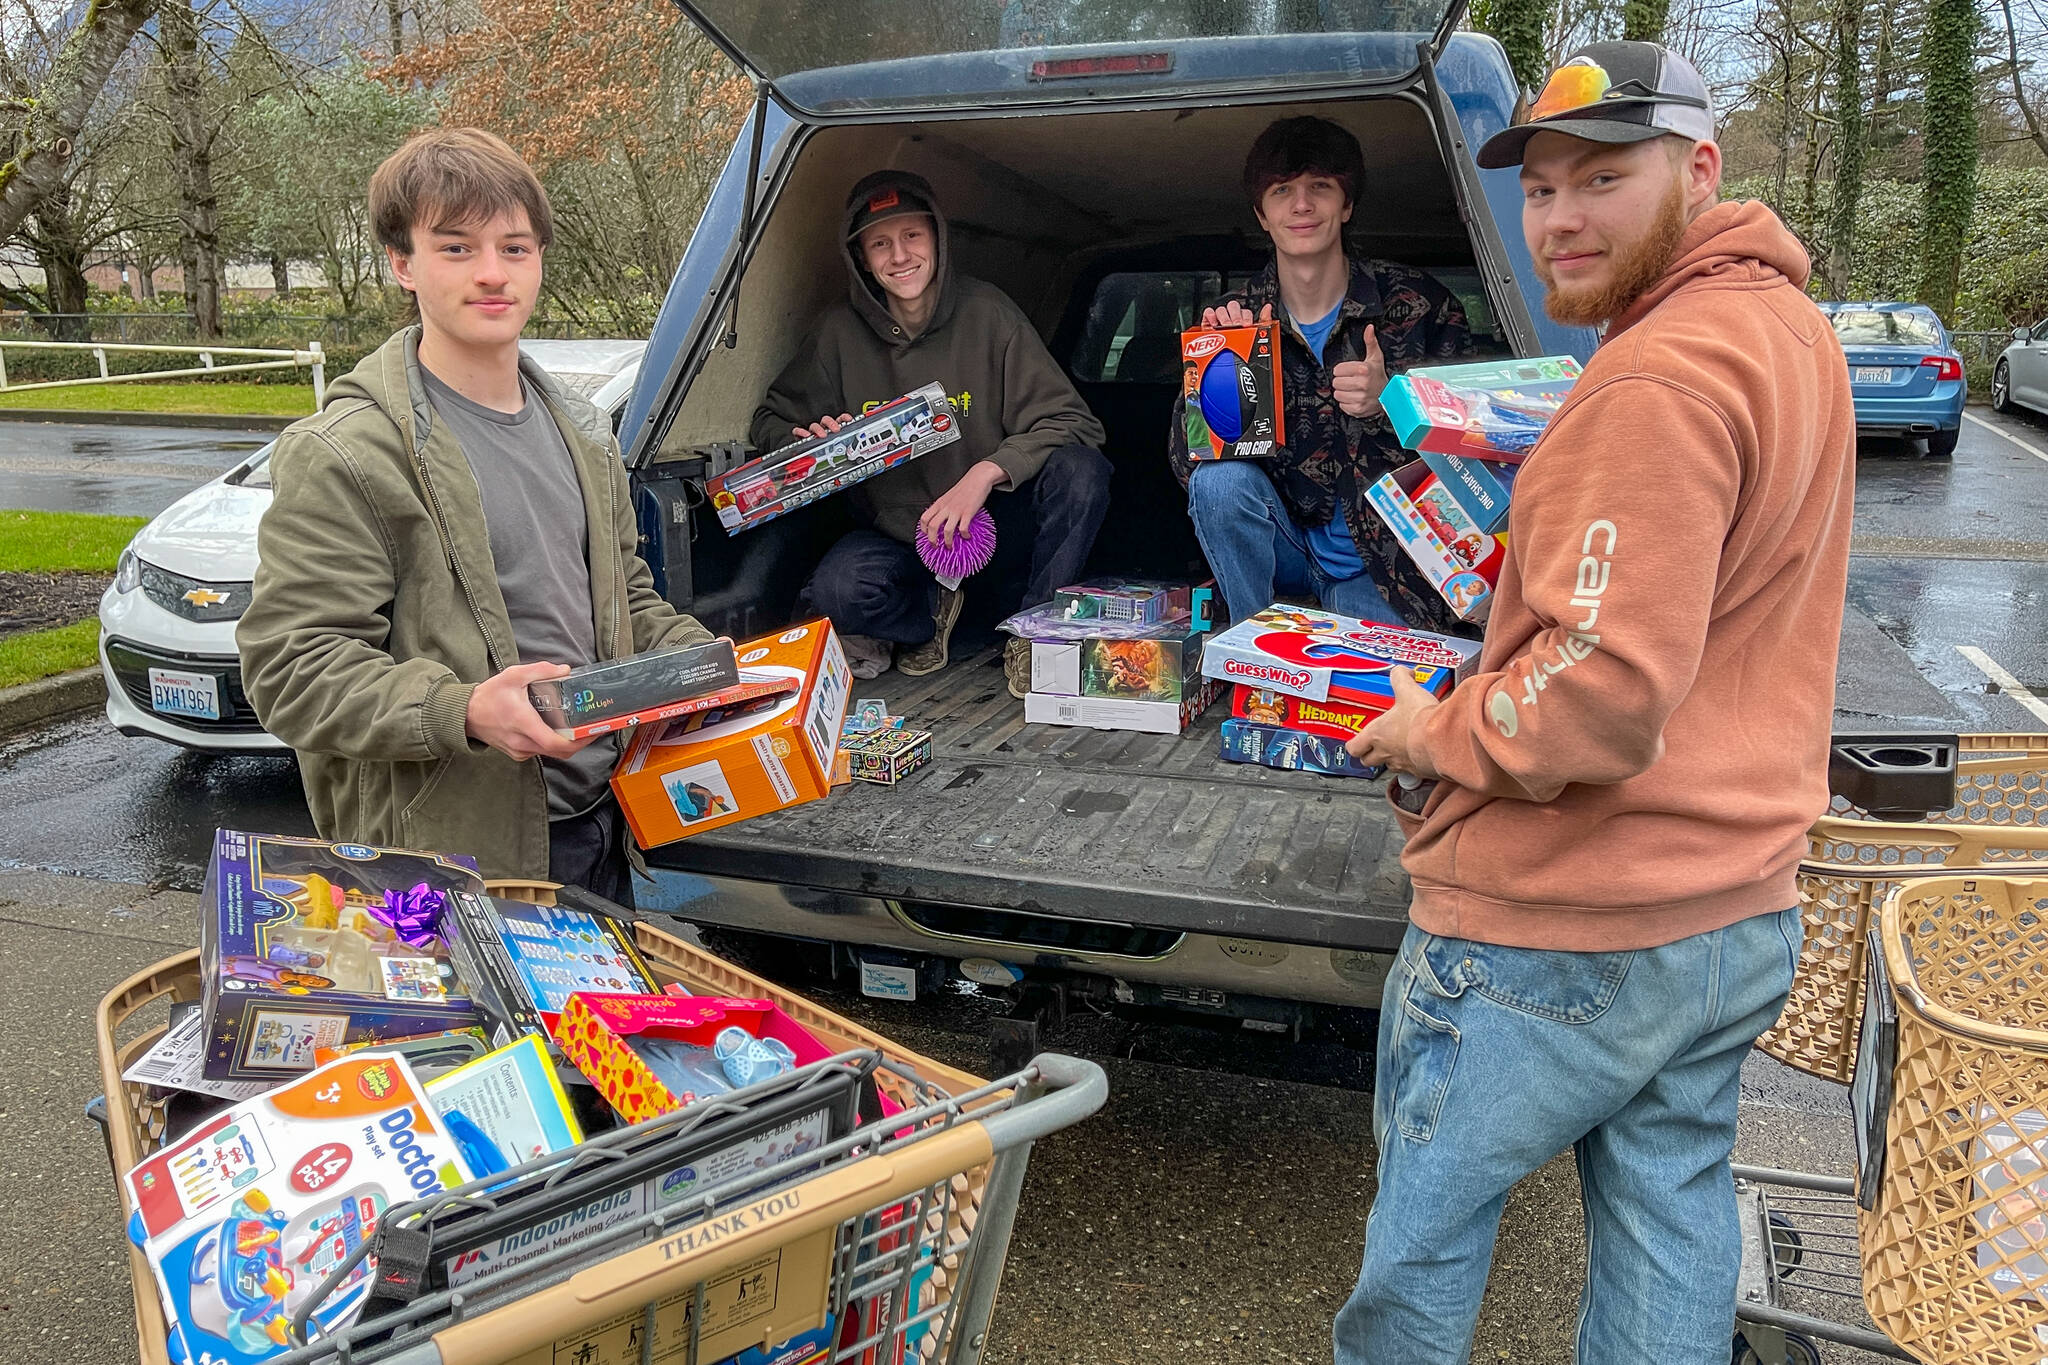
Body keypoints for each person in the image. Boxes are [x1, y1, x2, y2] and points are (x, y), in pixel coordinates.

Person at [1338, 43, 1856, 1362]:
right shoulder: (1787, 333)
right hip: (1730, 913)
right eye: (1543, 189)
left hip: (1564, 925)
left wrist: (1429, 726)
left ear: (1699, 170)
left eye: (1602, 179)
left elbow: (1602, 695)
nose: (1561, 217)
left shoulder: (1649, 381)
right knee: (1669, 1220)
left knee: (1422, 1249)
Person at [239, 128, 714, 900]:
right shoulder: (348, 452)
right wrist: (460, 709)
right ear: (402, 264)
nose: (493, 273)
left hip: (600, 826)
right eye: (456, 248)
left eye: (515, 248)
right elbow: (291, 666)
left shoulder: (587, 435)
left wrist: (705, 668)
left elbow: (623, 602)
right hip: (449, 867)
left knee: (597, 1028)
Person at [751, 170, 1110, 696]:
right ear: (862, 260)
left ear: (938, 238)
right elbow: (769, 423)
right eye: (880, 243)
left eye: (912, 235)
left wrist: (985, 475)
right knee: (836, 592)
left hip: (994, 528)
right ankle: (929, 620)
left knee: (1083, 471)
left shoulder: (990, 314)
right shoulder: (837, 334)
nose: (899, 256)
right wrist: (812, 439)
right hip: (899, 536)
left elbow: (1076, 423)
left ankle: (1035, 632)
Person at [1167, 116, 1472, 631]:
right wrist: (1223, 373)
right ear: (1262, 214)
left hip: (1383, 573)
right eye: (1282, 189)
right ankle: (1254, 647)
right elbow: (1188, 468)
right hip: (1281, 554)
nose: (1301, 205)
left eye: (1320, 187)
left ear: (1346, 204)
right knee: (1219, 483)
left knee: (1406, 692)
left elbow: (1478, 455)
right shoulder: (1232, 315)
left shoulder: (1418, 305)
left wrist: (1391, 401)